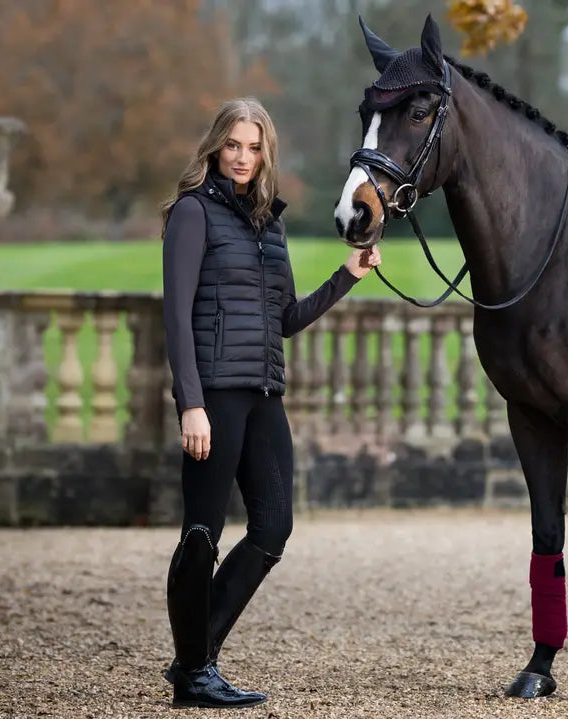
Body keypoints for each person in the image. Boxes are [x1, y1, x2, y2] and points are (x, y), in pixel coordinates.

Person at [158, 97, 379, 709]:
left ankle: (193, 661)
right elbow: (176, 316)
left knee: (274, 526)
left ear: (265, 154)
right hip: (214, 397)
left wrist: (347, 276)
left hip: (264, 394)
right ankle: (196, 671)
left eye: (254, 148)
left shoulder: (268, 225)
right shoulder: (193, 213)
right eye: (233, 145)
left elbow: (285, 319)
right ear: (215, 147)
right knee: (201, 532)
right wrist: (191, 404)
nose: (242, 157)